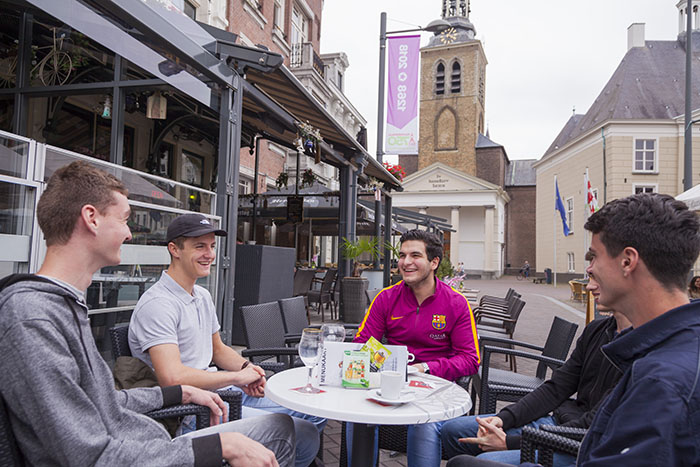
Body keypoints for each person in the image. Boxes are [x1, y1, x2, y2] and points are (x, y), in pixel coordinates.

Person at [0, 161, 294, 466]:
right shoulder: (33, 317)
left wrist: (178, 394)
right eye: (125, 219)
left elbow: (105, 403)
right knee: (281, 431)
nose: (129, 234)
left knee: (280, 427)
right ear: (91, 218)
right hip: (137, 452)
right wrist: (219, 447)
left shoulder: (65, 306)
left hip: (146, 441)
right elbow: (89, 455)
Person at [446, 193, 700, 466]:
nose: (589, 272)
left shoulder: (664, 378)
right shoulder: (661, 348)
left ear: (628, 261)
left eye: (594, 257)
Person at [128, 213, 323, 467]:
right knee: (297, 431)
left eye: (212, 246)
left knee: (312, 412)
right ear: (174, 249)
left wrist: (248, 370)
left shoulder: (201, 295)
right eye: (200, 246)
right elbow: (172, 378)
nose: (209, 254)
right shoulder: (158, 304)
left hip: (221, 393)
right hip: (192, 411)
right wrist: (235, 378)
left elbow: (217, 350)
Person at [440, 277, 629, 466]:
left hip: (579, 444)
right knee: (452, 430)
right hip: (556, 424)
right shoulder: (597, 330)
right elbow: (556, 388)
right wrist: (502, 419)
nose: (589, 286)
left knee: (483, 461)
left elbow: (593, 427)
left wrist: (511, 442)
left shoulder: (640, 352)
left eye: (598, 277)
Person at [350, 229, 480, 467]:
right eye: (402, 255)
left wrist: (425, 368)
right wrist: (389, 365)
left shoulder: (456, 303)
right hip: (390, 384)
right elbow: (362, 344)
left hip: (434, 388)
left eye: (415, 255)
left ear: (434, 262)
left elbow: (470, 359)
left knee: (425, 424)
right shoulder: (386, 298)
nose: (405, 262)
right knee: (356, 418)